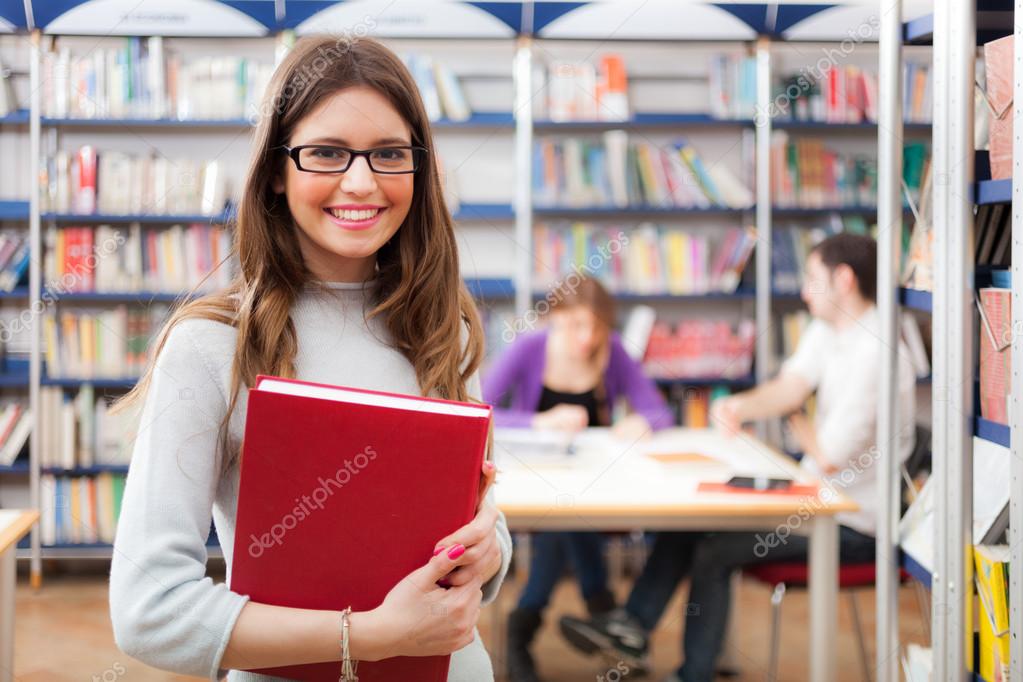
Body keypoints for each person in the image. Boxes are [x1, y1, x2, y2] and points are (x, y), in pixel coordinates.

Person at [108, 37, 512, 681]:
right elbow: (147, 611)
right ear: (275, 169)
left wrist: (491, 550)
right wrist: (371, 637)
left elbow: (481, 524)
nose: (361, 181)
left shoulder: (446, 327)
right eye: (325, 153)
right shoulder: (210, 344)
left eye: (389, 154)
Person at [559, 233, 916, 682]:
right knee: (693, 522)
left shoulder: (876, 356)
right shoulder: (830, 329)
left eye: (812, 278)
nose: (804, 290)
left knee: (713, 550)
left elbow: (828, 457)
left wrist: (796, 428)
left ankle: (690, 671)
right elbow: (791, 386)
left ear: (843, 280)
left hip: (852, 524)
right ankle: (631, 626)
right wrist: (740, 406)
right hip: (810, 499)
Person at [483, 275, 674, 682]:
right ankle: (602, 608)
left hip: (601, 486)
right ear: (554, 318)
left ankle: (524, 627)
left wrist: (640, 422)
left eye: (597, 327)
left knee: (565, 514)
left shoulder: (614, 352)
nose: (587, 338)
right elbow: (479, 408)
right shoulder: (529, 348)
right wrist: (539, 421)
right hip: (539, 481)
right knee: (562, 512)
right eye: (575, 326)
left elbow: (660, 413)